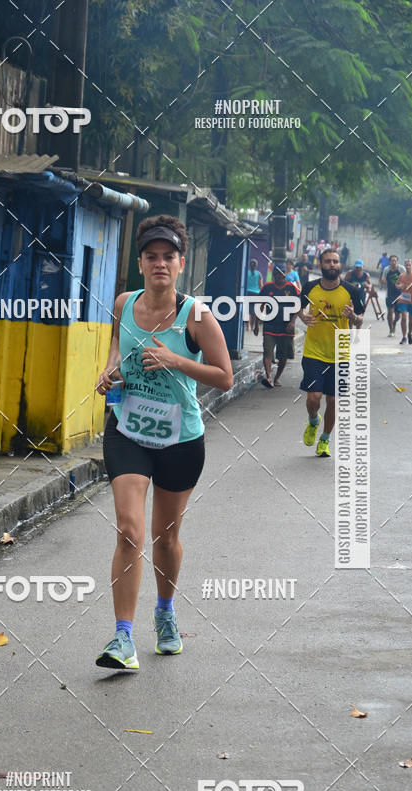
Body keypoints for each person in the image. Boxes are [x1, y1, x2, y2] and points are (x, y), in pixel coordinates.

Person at [95, 215, 233, 669]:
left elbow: (224, 377)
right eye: (151, 256)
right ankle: (122, 638)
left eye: (168, 256)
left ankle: (165, 611)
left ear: (181, 264)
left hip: (180, 439)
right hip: (128, 430)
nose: (160, 263)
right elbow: (117, 346)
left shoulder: (197, 316)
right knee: (129, 530)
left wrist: (176, 360)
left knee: (165, 536)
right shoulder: (124, 303)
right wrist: (111, 370)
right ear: (139, 263)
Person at [298, 248, 364, 458]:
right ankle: (313, 421)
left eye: (335, 261)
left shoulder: (351, 291)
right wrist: (302, 317)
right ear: (320, 264)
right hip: (314, 351)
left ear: (340, 264)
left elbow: (360, 319)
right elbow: (298, 308)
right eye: (328, 261)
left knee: (333, 400)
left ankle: (325, 440)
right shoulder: (310, 288)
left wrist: (353, 316)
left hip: (341, 351)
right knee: (314, 398)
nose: (332, 265)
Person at [254, 264, 299, 388]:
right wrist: (256, 324)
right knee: (267, 352)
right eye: (278, 273)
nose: (280, 275)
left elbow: (299, 306)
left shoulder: (292, 288)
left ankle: (277, 377)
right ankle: (269, 378)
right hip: (270, 326)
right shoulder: (267, 287)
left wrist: (292, 322)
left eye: (282, 272)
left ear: (285, 274)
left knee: (283, 356)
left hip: (286, 328)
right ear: (274, 274)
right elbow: (260, 305)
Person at [380, 255, 405, 337]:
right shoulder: (386, 270)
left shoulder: (401, 269)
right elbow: (383, 279)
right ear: (389, 262)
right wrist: (383, 281)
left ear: (397, 262)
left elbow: (406, 279)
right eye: (392, 261)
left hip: (400, 295)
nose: (393, 262)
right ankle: (391, 330)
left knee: (398, 316)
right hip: (390, 294)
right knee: (390, 312)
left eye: (395, 261)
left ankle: (394, 322)